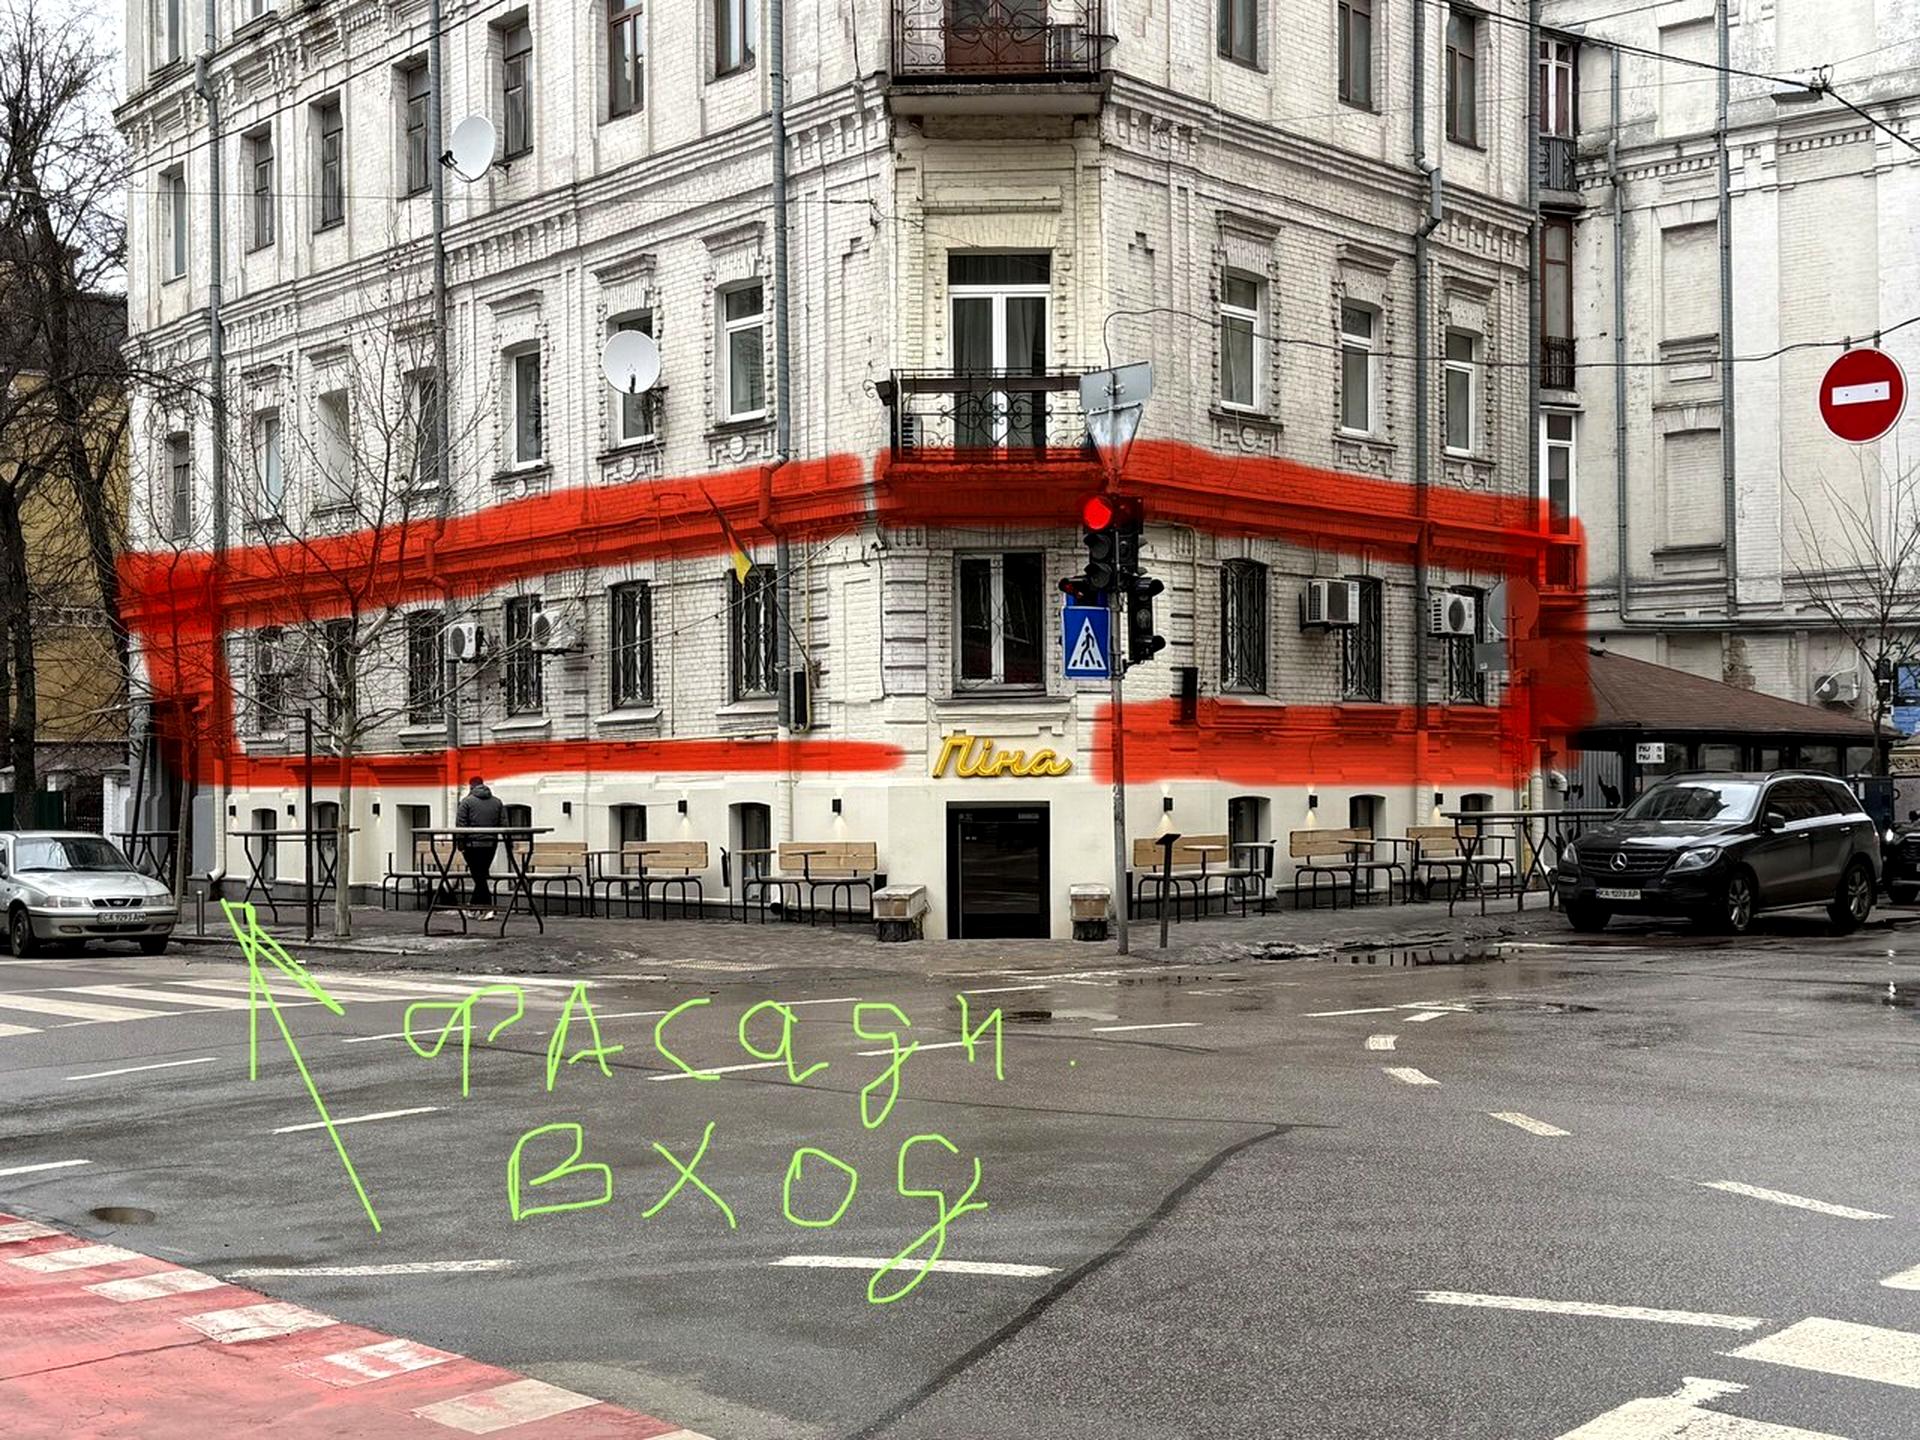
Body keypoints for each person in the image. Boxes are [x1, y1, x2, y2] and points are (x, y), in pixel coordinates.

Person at [454, 776, 506, 919]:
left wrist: (460, 844)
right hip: (491, 844)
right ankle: (473, 907)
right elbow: (503, 823)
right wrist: (508, 842)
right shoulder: (497, 802)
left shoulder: (466, 802)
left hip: (472, 844)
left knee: (479, 876)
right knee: (481, 875)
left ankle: (488, 909)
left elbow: (461, 824)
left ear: (471, 786)